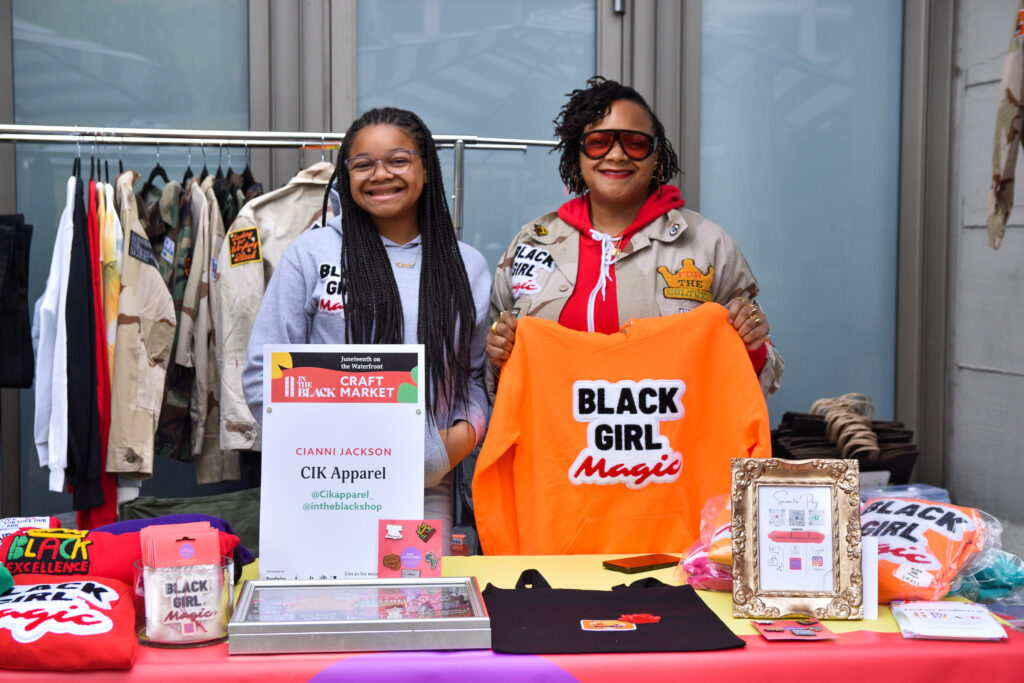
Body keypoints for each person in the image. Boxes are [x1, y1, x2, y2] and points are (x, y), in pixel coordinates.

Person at [243, 107, 492, 545]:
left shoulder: (465, 265)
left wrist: (458, 440)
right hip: (323, 485)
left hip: (427, 484)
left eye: (398, 160)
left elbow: (473, 376)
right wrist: (329, 454)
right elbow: (264, 373)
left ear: (426, 168)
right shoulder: (311, 254)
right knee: (322, 604)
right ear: (346, 174)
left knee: (414, 604)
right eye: (363, 164)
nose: (381, 175)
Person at [486, 77, 783, 395]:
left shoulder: (707, 244)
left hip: (673, 443)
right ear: (578, 154)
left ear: (656, 156)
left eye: (635, 142)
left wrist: (753, 345)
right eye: (599, 141)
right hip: (552, 442)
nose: (616, 155)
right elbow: (491, 377)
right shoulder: (530, 244)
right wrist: (498, 354)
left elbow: (761, 376)